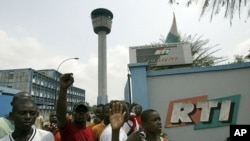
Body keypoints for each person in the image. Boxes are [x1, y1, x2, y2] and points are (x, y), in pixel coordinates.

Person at [56, 73, 94, 141]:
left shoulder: (90, 131)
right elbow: (60, 115)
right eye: (78, 111)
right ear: (73, 114)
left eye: (83, 111)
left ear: (88, 115)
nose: (81, 113)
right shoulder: (68, 128)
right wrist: (63, 89)